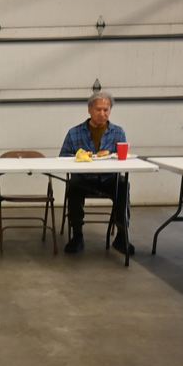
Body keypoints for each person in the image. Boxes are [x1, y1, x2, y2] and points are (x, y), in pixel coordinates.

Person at [59, 91, 133, 255]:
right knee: (74, 186)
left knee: (122, 186)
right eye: (98, 109)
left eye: (106, 110)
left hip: (108, 179)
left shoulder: (118, 132)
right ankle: (77, 236)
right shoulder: (74, 132)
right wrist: (80, 158)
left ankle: (122, 236)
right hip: (84, 179)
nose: (102, 114)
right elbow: (63, 157)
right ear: (90, 110)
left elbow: (123, 158)